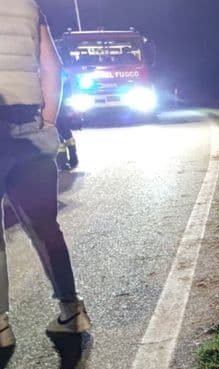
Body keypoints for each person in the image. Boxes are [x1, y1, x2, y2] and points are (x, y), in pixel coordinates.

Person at [0, 0, 91, 348]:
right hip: (31, 126)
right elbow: (52, 67)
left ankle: (1, 326)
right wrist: (49, 120)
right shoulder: (29, 6)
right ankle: (71, 309)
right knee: (45, 225)